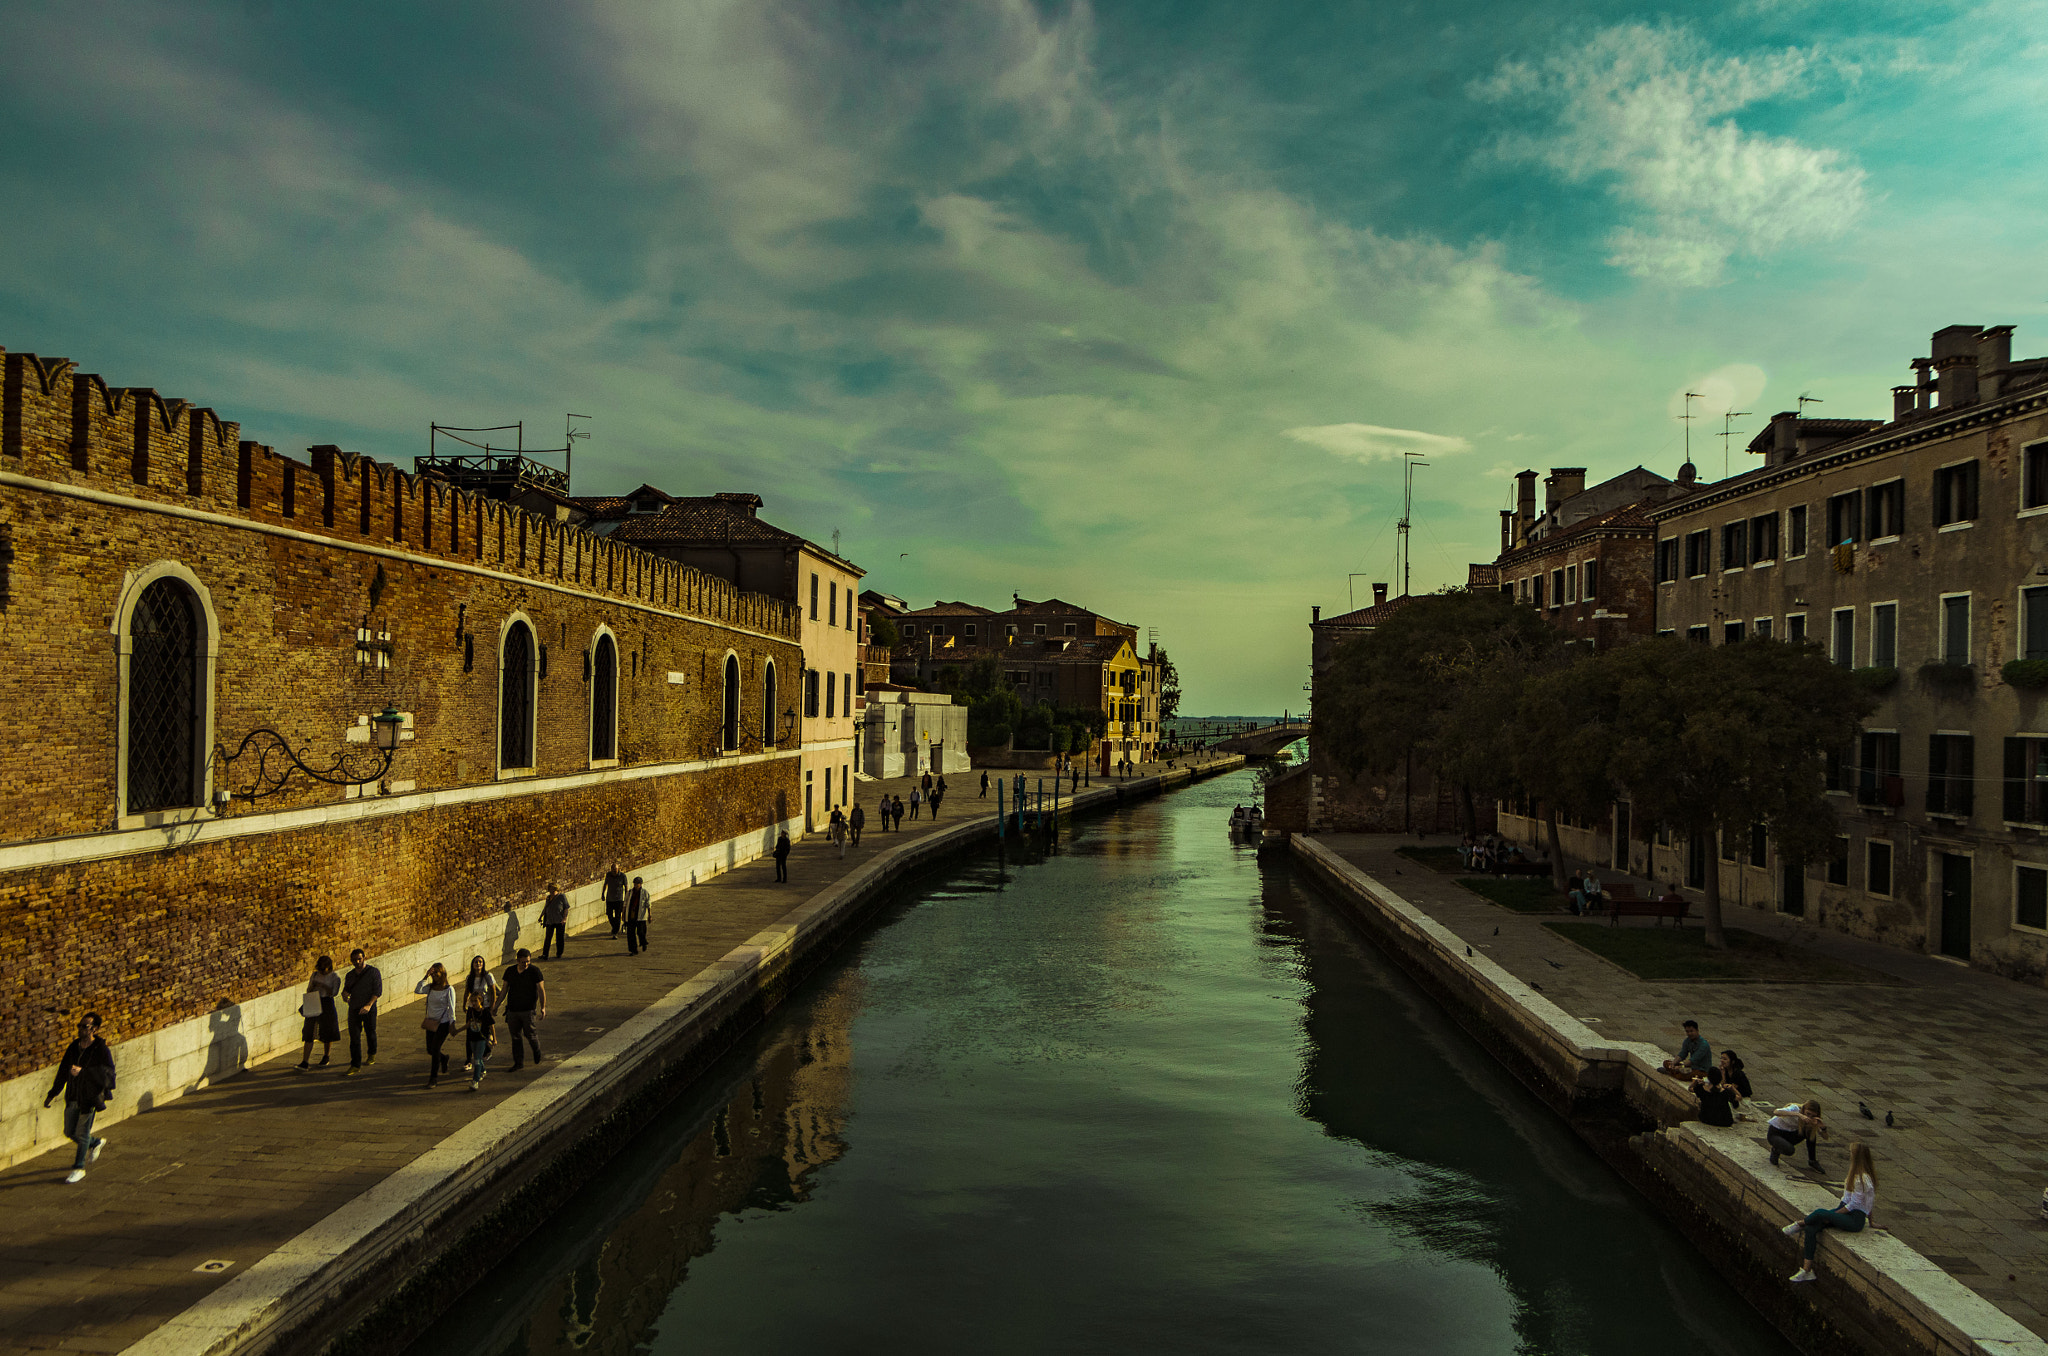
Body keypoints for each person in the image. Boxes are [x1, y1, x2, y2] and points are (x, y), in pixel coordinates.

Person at [1785, 1144, 1877, 1282]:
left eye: (1851, 1153)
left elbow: (1856, 1205)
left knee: (1821, 1213)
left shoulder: (1862, 1180)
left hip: (1854, 1219)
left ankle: (1799, 1224)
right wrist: (1871, 1222)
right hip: (1846, 1210)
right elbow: (1853, 1201)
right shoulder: (1854, 1174)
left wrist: (1833, 1216)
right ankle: (1806, 1270)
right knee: (1811, 1228)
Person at [43, 1013, 114, 1184]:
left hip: (89, 1097)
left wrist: (84, 1072)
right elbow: (62, 1071)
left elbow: (109, 1075)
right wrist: (52, 1093)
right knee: (69, 1131)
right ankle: (95, 1142)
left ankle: (78, 1168)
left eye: (85, 1027)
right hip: (73, 1095)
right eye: (80, 1026)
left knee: (82, 1133)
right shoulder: (74, 1047)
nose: (80, 1029)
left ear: (94, 1029)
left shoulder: (101, 1049)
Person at [502, 948, 547, 1069]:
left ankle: (536, 1050)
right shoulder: (510, 971)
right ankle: (518, 1062)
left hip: (528, 1010)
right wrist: (496, 1006)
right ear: (517, 961)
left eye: (528, 961)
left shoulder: (534, 971)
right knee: (515, 1036)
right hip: (513, 1010)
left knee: (530, 1035)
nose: (526, 964)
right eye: (523, 962)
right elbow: (504, 990)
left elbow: (541, 990)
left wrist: (543, 1007)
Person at [295, 955, 341, 1071]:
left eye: (324, 969)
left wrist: (324, 986)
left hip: (327, 1002)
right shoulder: (315, 975)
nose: (322, 971)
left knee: (327, 1030)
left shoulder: (335, 977)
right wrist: (314, 986)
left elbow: (334, 993)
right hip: (314, 1001)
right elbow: (308, 989)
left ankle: (326, 1056)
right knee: (309, 1031)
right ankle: (305, 1061)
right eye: (320, 968)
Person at [415, 963, 457, 1087]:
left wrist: (452, 1024)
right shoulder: (430, 988)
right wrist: (425, 976)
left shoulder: (449, 989)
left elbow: (451, 1008)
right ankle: (444, 1058)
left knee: (435, 1048)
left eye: (436, 973)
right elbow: (418, 990)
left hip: (443, 1023)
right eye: (432, 973)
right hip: (431, 1022)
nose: (434, 975)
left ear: (442, 973)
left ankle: (433, 1078)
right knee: (430, 1049)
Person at [342, 949, 382, 1076]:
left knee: (370, 1032)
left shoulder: (373, 972)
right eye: (354, 960)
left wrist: (369, 1005)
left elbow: (377, 991)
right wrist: (344, 995)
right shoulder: (350, 975)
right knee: (354, 1037)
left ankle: (372, 1053)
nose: (357, 962)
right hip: (354, 1008)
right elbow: (346, 989)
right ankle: (355, 1064)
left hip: (368, 1008)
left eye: (359, 959)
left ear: (364, 958)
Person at [1767, 1099, 1828, 1169]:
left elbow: (1825, 1137)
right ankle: (1775, 1150)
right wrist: (1798, 1115)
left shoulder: (1811, 1119)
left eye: (1812, 1115)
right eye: (1808, 1114)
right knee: (1790, 1150)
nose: (1809, 1117)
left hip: (1789, 1134)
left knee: (1810, 1132)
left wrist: (1823, 1128)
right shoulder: (1795, 1108)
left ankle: (1812, 1160)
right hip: (1776, 1133)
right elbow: (1776, 1111)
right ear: (1804, 1109)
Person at [462, 988, 496, 1092]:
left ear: (480, 1000)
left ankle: (475, 1081)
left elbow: (491, 1026)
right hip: (472, 1038)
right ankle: (483, 1070)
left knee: (476, 1058)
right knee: (477, 1058)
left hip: (482, 1038)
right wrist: (457, 1030)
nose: (473, 1003)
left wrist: (494, 1038)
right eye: (472, 1001)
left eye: (475, 1001)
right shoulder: (470, 1011)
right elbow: (468, 1024)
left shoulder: (485, 1012)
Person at [540, 882, 570, 959]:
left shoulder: (561, 896)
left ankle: (559, 953)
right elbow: (545, 908)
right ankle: (545, 954)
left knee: (559, 938)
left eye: (552, 888)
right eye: (550, 888)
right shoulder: (548, 898)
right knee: (548, 938)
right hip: (550, 920)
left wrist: (564, 918)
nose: (550, 890)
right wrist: (541, 916)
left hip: (559, 920)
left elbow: (566, 907)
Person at [625, 876, 651, 954]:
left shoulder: (644, 893)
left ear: (640, 884)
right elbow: (625, 904)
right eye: (635, 884)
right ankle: (633, 950)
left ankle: (643, 943)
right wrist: (623, 915)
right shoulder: (630, 893)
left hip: (641, 916)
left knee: (641, 932)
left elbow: (648, 905)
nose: (636, 885)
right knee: (630, 933)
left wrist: (650, 915)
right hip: (631, 915)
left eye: (637, 884)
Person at [602, 862, 628, 938]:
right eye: (612, 869)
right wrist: (603, 894)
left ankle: (615, 932)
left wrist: (626, 897)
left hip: (618, 899)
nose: (614, 871)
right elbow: (605, 884)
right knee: (609, 914)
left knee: (617, 916)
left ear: (618, 869)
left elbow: (626, 886)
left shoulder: (622, 876)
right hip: (609, 899)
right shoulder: (608, 875)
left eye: (615, 869)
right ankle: (615, 927)